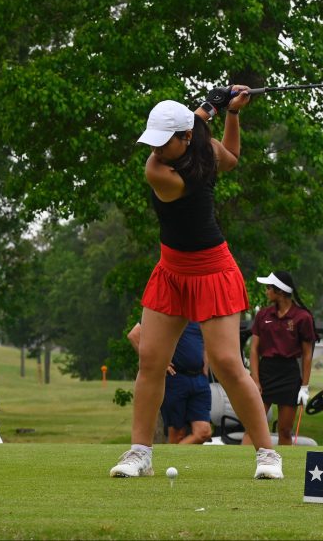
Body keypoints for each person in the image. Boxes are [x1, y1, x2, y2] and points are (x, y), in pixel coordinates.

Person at [112, 87, 283, 479]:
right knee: (151, 359)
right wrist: (209, 109)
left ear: (184, 137)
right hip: (172, 269)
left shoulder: (198, 158)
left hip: (213, 269)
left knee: (226, 362)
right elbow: (204, 146)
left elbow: (232, 159)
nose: (154, 150)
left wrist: (227, 113)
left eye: (162, 141)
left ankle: (267, 455)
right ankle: (140, 453)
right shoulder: (158, 170)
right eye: (152, 141)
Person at [246, 271, 317, 445]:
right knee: (253, 426)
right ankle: (245, 463)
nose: (266, 291)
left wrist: (305, 386)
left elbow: (307, 354)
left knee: (285, 430)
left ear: (279, 291)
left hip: (289, 375)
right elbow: (254, 350)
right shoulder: (263, 315)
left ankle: (283, 466)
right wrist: (255, 379)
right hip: (266, 372)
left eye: (268, 288)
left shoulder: (303, 317)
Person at [127, 320, 212, 445]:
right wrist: (159, 363)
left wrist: (206, 366)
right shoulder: (169, 314)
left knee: (203, 432)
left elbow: (206, 343)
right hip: (176, 378)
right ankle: (173, 462)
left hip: (199, 379)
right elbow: (134, 335)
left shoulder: (199, 315)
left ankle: (172, 458)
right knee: (177, 434)